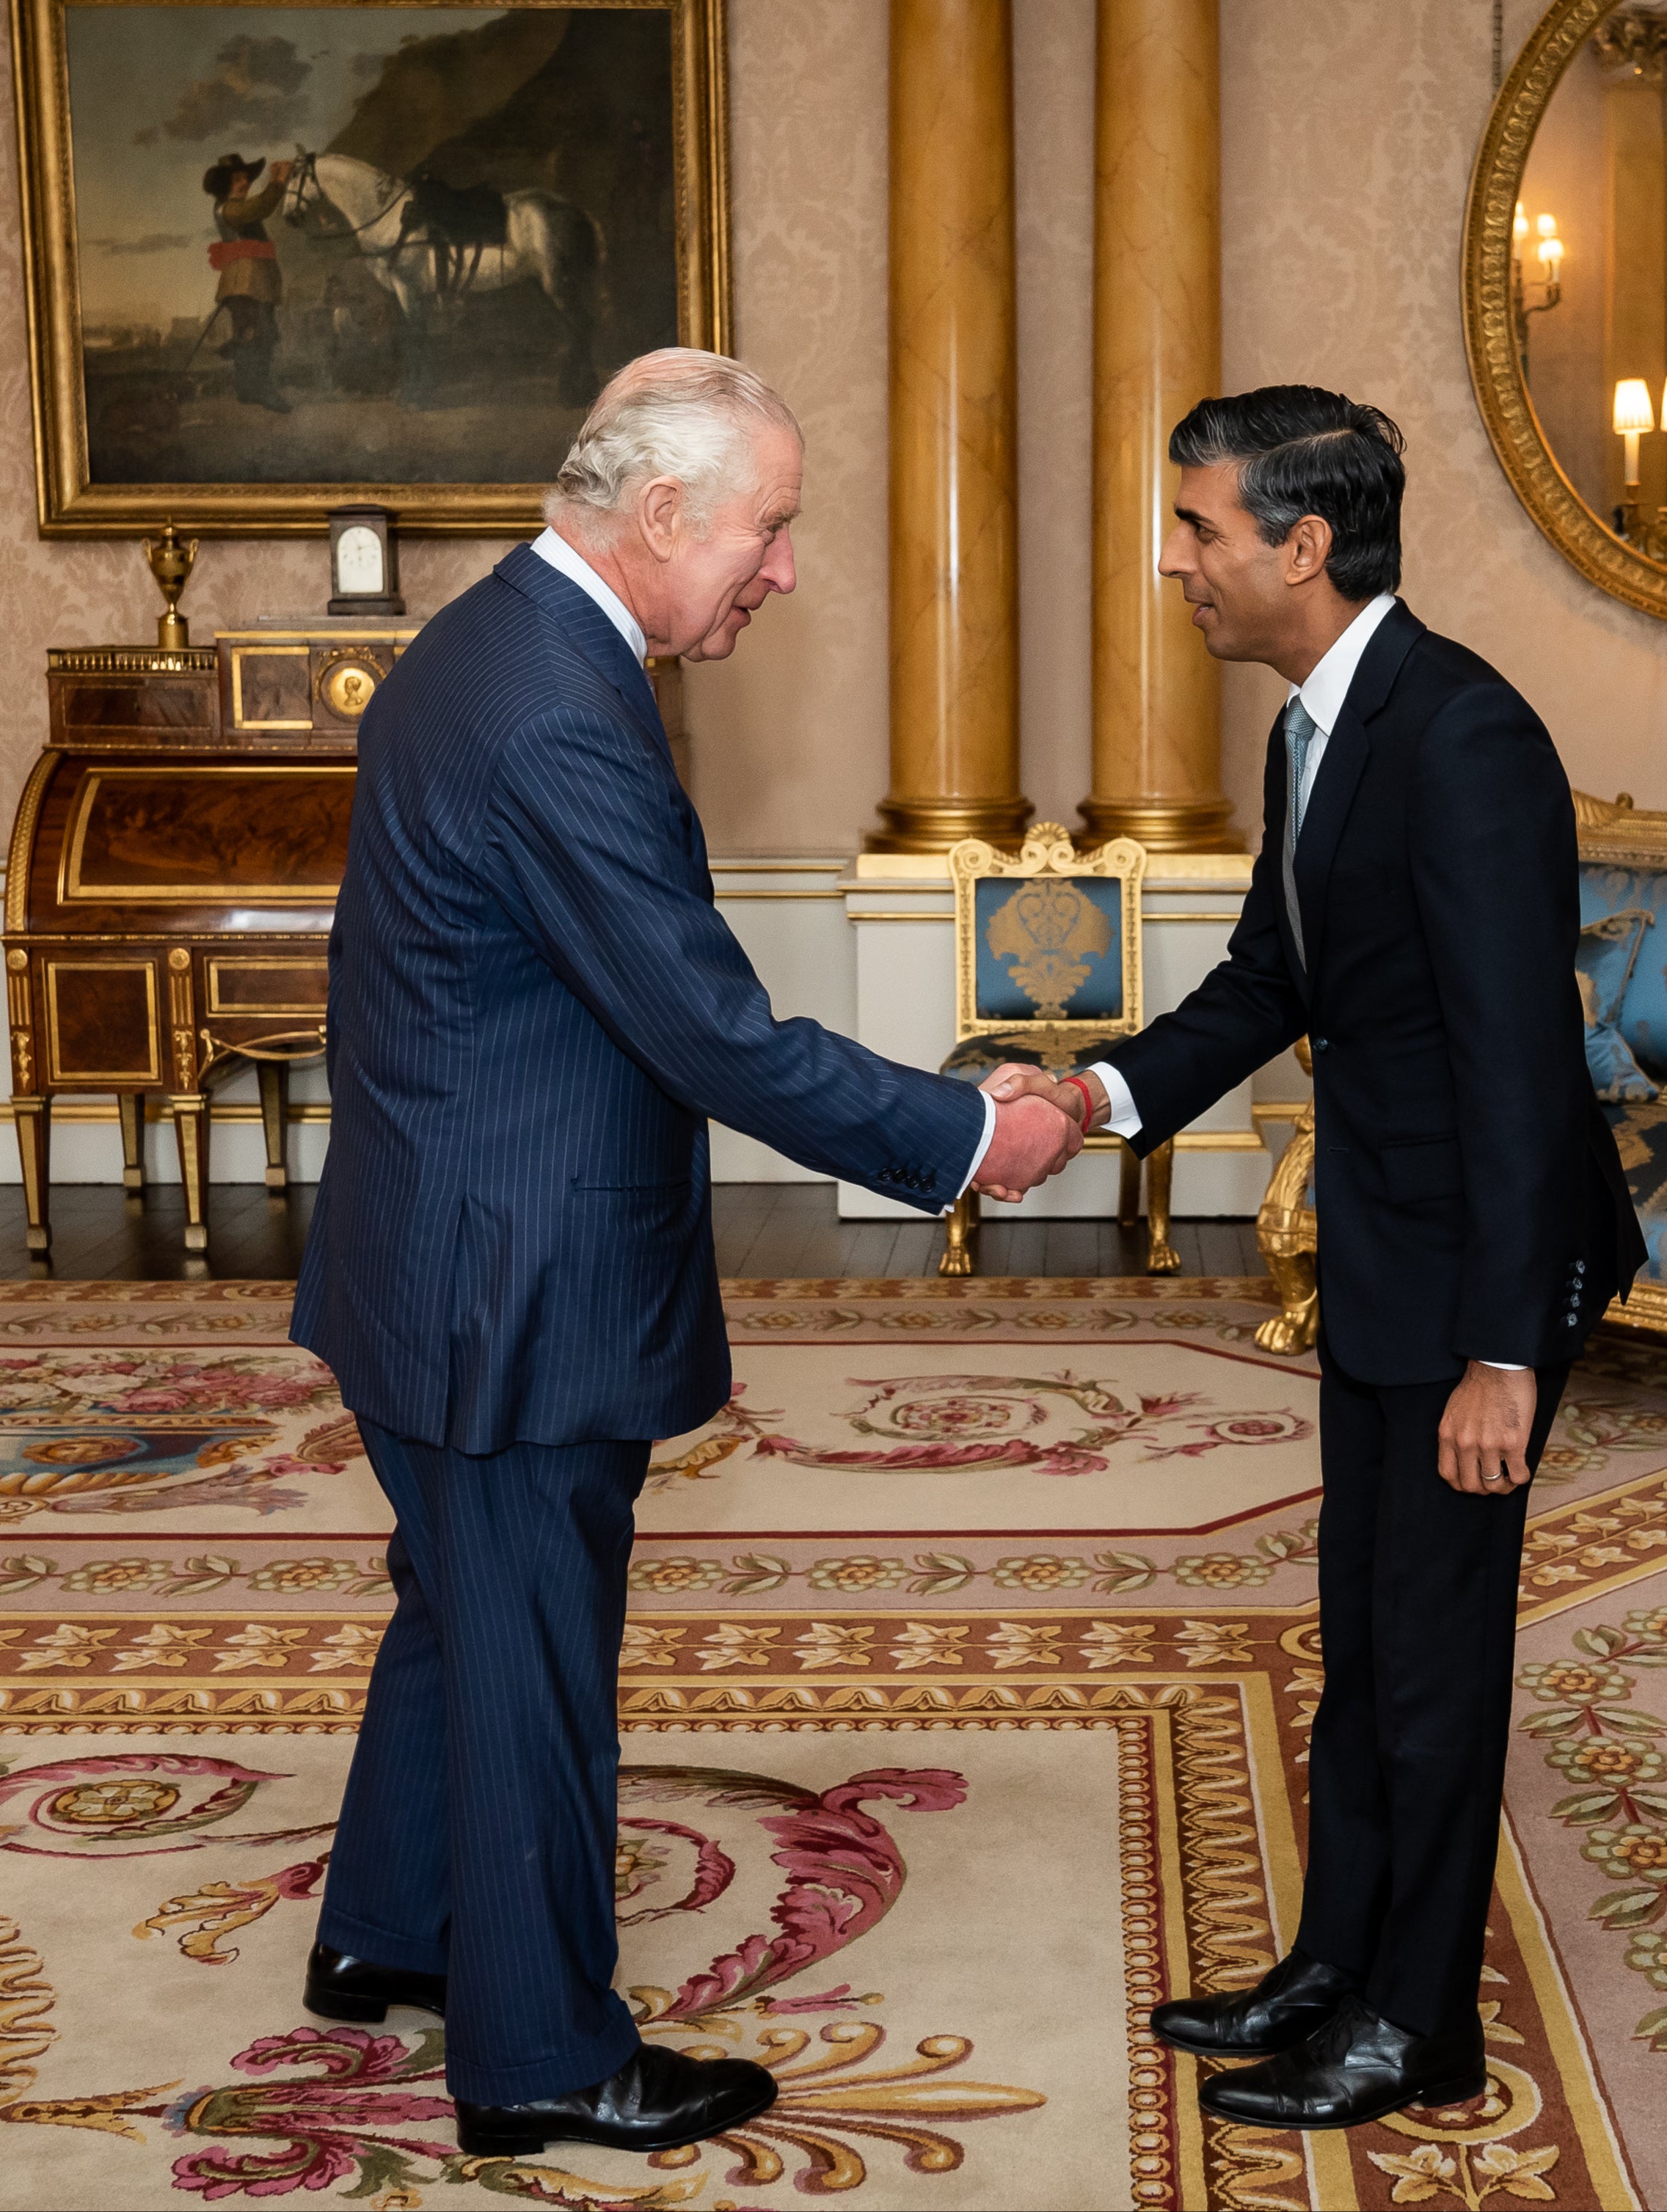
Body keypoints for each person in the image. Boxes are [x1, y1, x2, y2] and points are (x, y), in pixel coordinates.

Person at [290, 348, 1081, 2158]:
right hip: (510, 1281)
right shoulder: (558, 707)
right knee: (531, 1657)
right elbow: (711, 1030)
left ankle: (391, 1928)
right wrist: (969, 1131)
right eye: (771, 526)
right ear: (658, 517)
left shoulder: (492, 636)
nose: (784, 569)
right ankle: (544, 2054)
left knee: (457, 1602)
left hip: (432, 1240)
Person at [998, 386, 1645, 2130]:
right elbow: (1273, 980)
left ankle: (1415, 2022)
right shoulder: (1312, 727)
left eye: (1199, 528)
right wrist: (1101, 1087)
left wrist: (1507, 1349)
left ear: (1302, 543)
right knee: (1365, 1641)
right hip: (1387, 1254)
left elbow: (1522, 1059)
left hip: (1473, 1286)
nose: (1174, 559)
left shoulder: (1462, 738)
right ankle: (1333, 1963)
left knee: (1433, 1664)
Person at [201, 151, 292, 414]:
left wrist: (275, 180)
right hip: (247, 284)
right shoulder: (230, 209)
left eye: (245, 179)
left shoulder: (232, 207)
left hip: (250, 283)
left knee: (247, 335)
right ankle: (266, 393)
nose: (243, 184)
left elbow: (257, 206)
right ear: (224, 185)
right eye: (236, 180)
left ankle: (246, 390)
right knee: (260, 336)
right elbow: (261, 207)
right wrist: (279, 182)